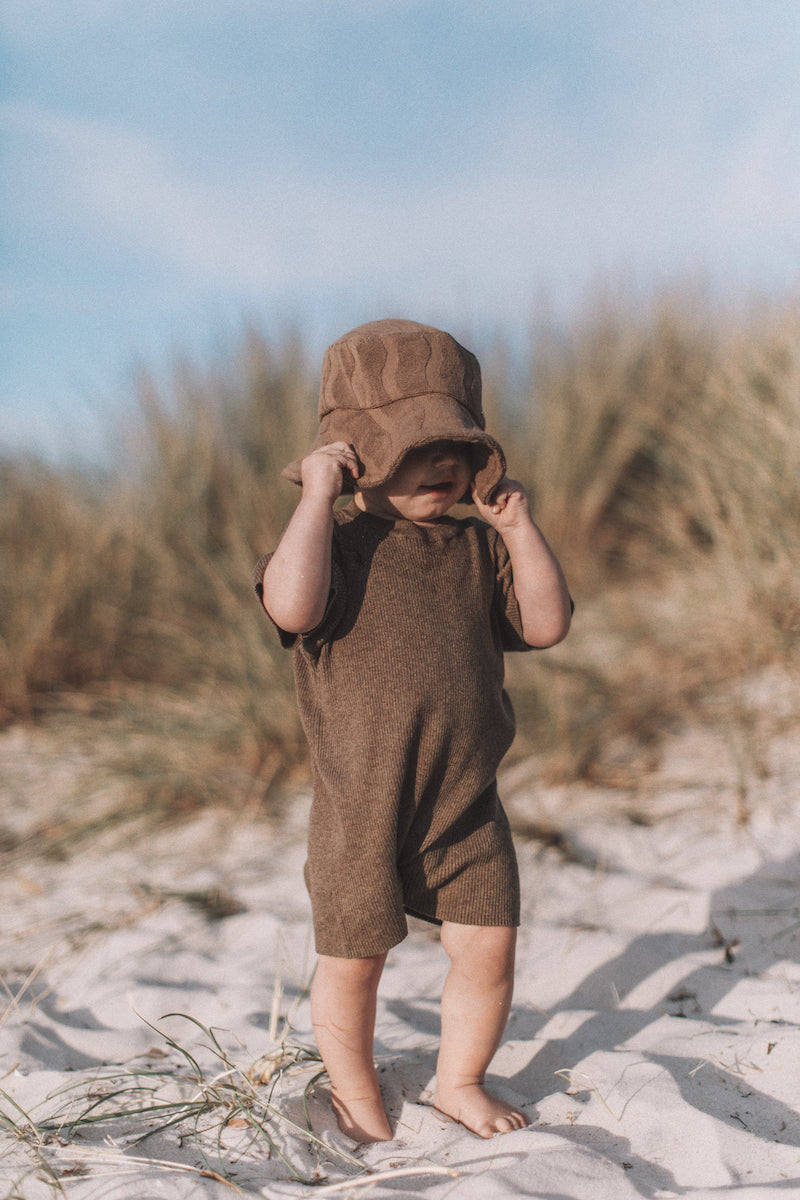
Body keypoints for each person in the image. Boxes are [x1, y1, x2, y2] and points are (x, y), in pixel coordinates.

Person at [254, 318, 571, 1144]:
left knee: (489, 950)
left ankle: (458, 1080)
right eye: (411, 444)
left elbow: (545, 627)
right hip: (363, 806)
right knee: (355, 960)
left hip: (465, 804)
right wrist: (318, 502)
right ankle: (357, 1095)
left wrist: (518, 532)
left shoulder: (476, 551)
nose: (441, 461)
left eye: (457, 445)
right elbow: (289, 606)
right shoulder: (334, 546)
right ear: (356, 458)